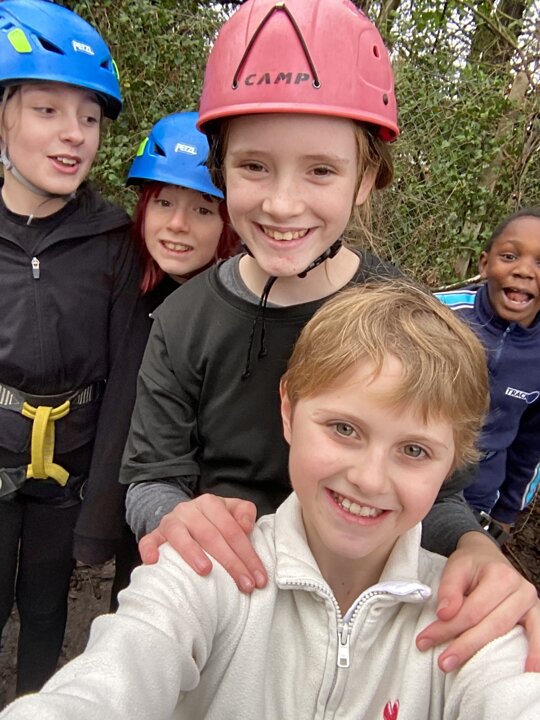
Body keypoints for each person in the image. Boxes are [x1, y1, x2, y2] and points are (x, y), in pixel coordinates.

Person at [121, 0, 540, 673]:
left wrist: (472, 549)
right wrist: (173, 515)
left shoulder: (408, 322)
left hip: (364, 629)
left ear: (367, 178)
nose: (282, 204)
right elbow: (151, 477)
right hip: (225, 606)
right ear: (221, 170)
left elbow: (443, 492)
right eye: (254, 167)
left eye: (320, 170)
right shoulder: (183, 320)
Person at [2, 281, 540, 720]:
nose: (370, 478)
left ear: (454, 462)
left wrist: (477, 546)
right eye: (344, 429)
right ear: (287, 410)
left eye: (415, 450)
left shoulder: (475, 622)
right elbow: (111, 678)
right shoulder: (203, 574)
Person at [0, 0, 139, 695]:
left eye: (89, 117)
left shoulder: (112, 239)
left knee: (47, 610)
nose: (74, 134)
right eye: (47, 110)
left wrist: (100, 510)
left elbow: (126, 376)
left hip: (70, 473)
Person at [72, 111, 239, 608]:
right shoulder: (128, 288)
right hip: (139, 517)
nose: (177, 225)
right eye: (163, 202)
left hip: (220, 534)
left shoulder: (242, 313)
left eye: (204, 209)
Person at [436, 207, 540, 544]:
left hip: (478, 496)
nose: (523, 270)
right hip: (409, 472)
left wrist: (506, 514)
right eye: (509, 256)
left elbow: (531, 445)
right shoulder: (438, 314)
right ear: (484, 264)